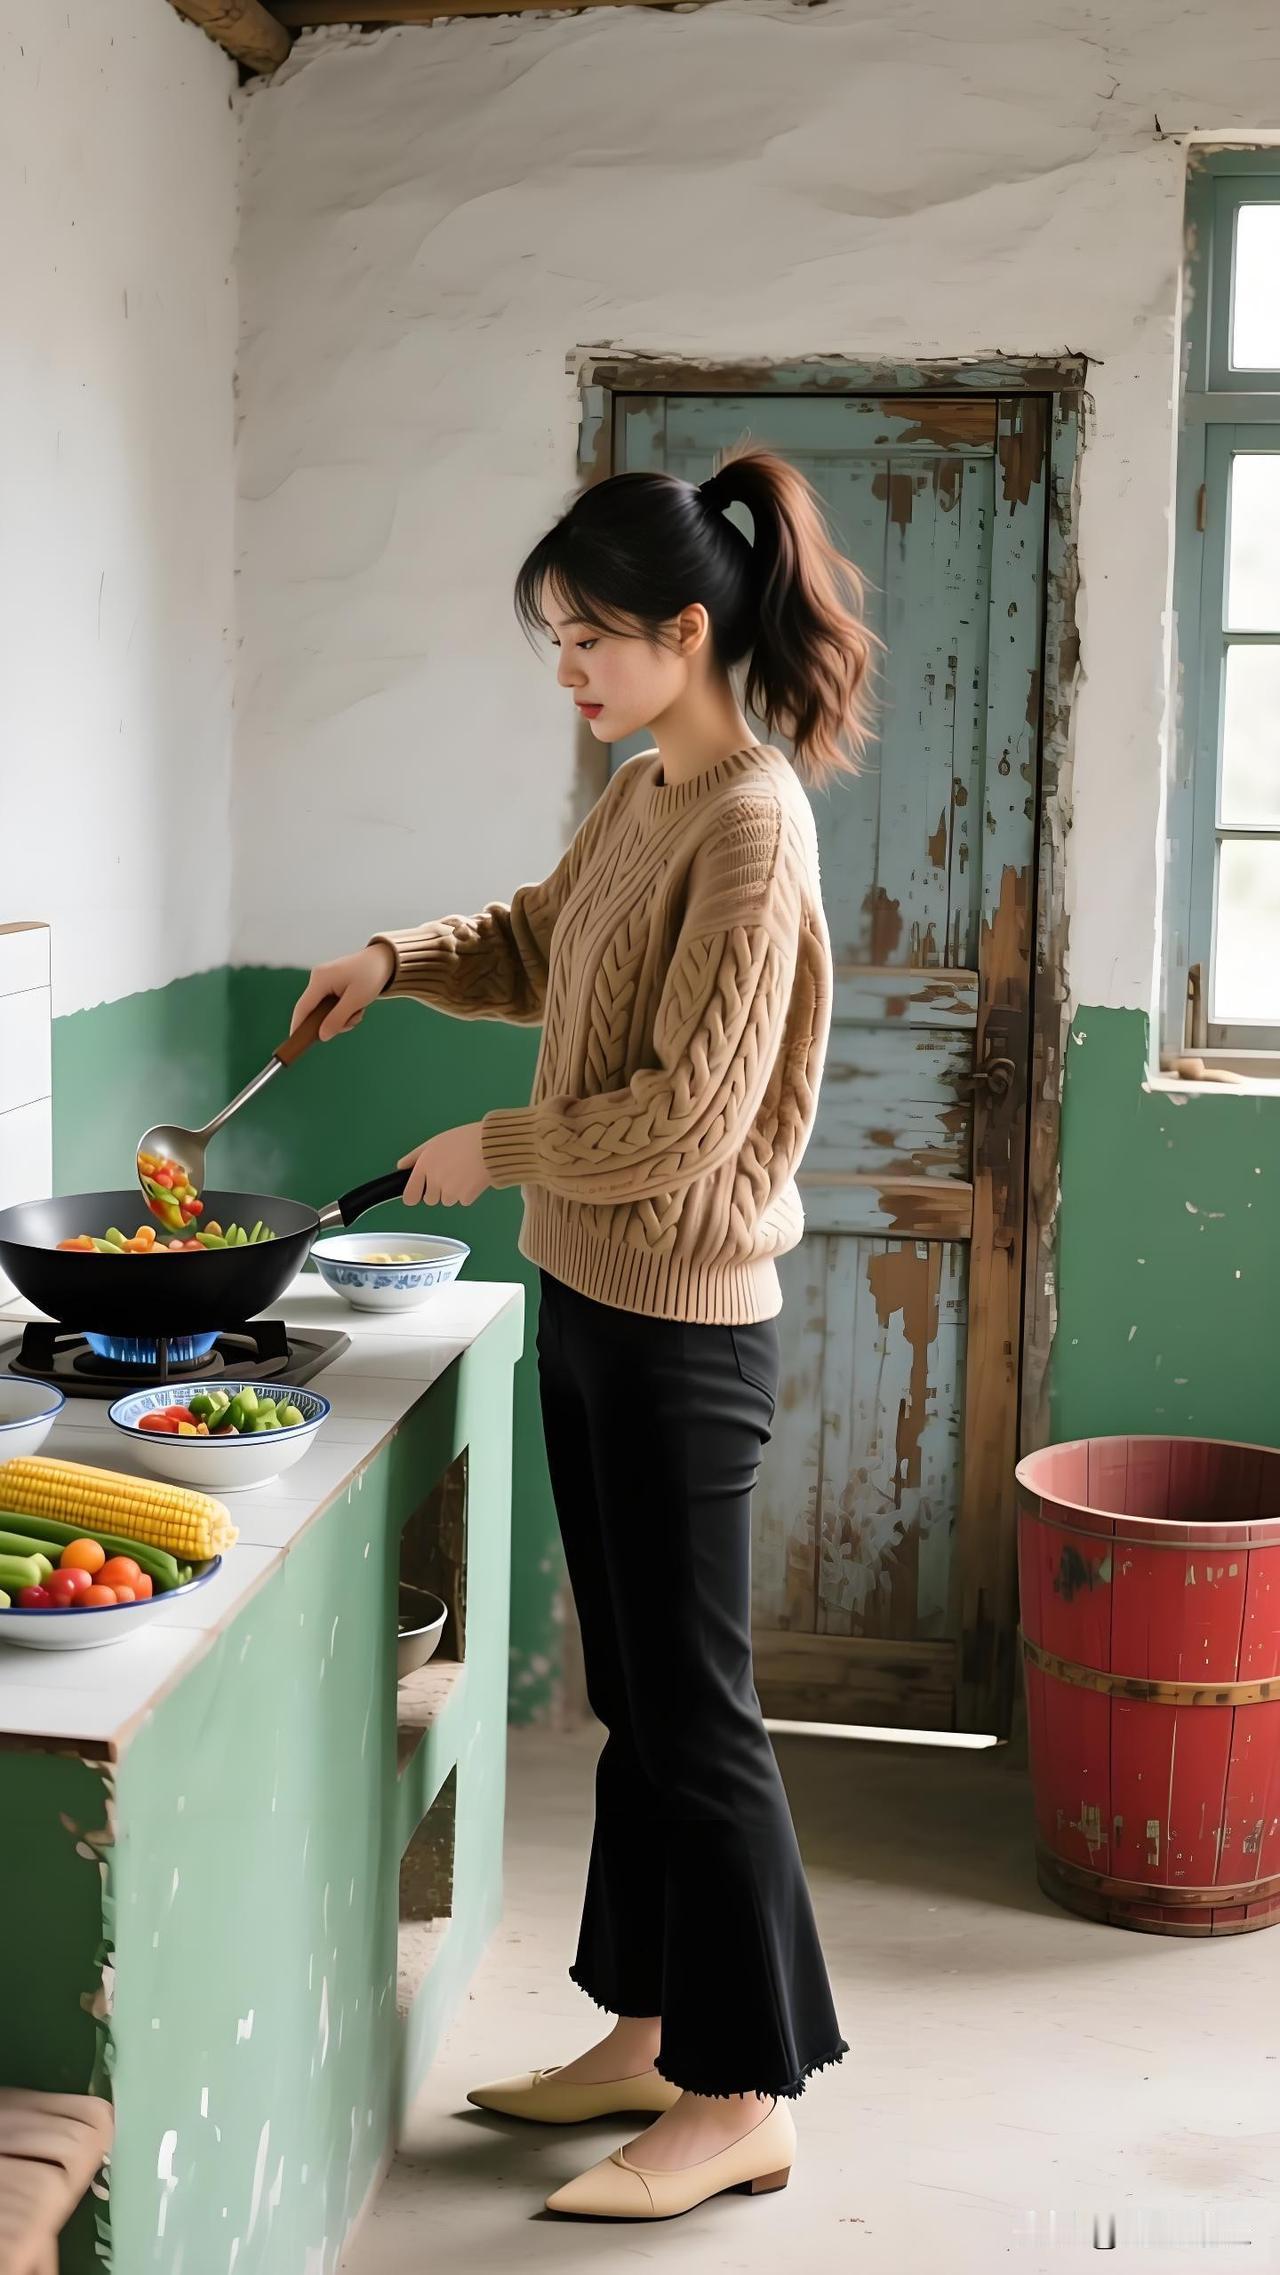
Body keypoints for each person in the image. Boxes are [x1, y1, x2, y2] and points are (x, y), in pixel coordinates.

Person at [292, 445, 877, 2221]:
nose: (569, 670)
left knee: (700, 1713)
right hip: (599, 1294)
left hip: (690, 1330)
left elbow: (689, 1117)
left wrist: (495, 1147)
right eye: (559, 641)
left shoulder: (753, 824)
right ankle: (649, 2030)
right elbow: (545, 944)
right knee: (638, 1697)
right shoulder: (643, 800)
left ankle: (745, 2089)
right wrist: (398, 960)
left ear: (687, 632)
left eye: (590, 640)